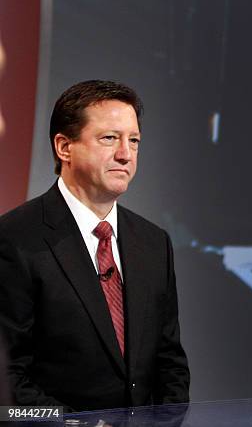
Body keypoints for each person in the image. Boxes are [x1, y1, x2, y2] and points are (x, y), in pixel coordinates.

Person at [0, 80, 190, 412]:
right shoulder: (14, 238)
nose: (125, 154)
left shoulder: (154, 242)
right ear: (64, 147)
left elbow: (170, 361)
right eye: (108, 138)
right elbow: (7, 380)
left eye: (133, 140)